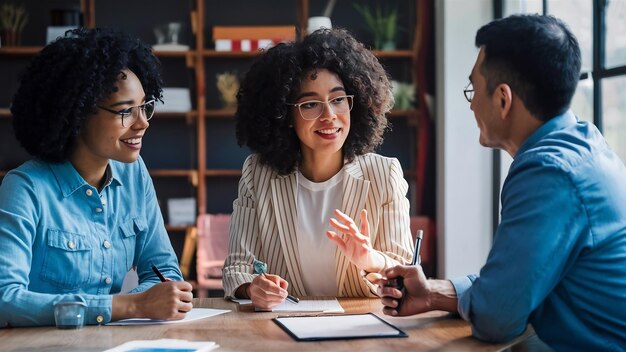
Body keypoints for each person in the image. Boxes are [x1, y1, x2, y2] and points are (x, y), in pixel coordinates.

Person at [378, 14, 626, 351]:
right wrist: (434, 293)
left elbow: (496, 318)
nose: (471, 105)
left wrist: (473, 301)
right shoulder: (584, 142)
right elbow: (514, 286)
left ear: (503, 99)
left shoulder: (548, 173)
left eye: (473, 90)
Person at [0, 28, 193, 327]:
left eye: (145, 106)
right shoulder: (25, 188)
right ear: (77, 114)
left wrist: (150, 301)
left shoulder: (134, 173)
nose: (142, 123)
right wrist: (130, 305)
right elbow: (5, 299)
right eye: (126, 111)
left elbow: (164, 268)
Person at [223, 28, 414, 309]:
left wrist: (369, 258)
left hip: (362, 331)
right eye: (311, 104)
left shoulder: (384, 175)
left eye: (338, 100)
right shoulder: (258, 174)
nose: (329, 116)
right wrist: (253, 288)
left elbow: (404, 274)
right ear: (285, 115)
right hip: (285, 331)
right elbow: (235, 268)